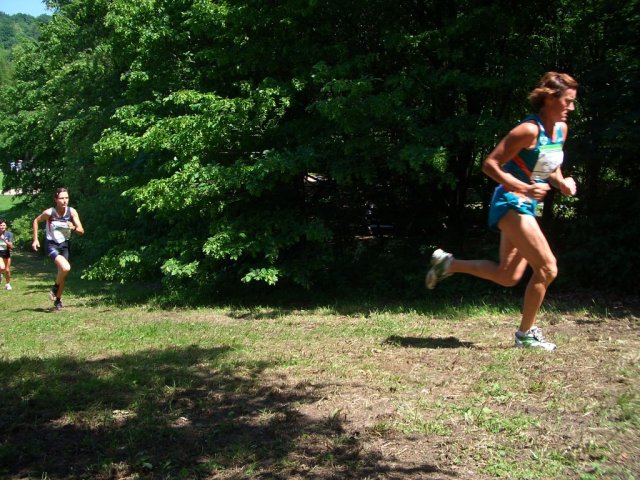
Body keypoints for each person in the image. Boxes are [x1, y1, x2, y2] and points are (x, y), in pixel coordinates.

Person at [426, 72, 579, 351]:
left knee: (507, 276)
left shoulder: (560, 130)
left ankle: (448, 264)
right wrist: (524, 187)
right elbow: (490, 165)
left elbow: (550, 165)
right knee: (547, 268)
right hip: (509, 200)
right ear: (548, 98)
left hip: (526, 203)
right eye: (567, 102)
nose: (571, 108)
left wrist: (562, 182)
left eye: (573, 102)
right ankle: (526, 335)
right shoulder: (528, 130)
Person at [32, 187, 85, 310]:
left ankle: (58, 300)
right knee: (66, 268)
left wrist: (73, 228)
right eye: (61, 198)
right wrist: (35, 239)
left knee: (62, 273)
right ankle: (54, 290)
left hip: (65, 245)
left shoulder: (72, 212)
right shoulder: (50, 213)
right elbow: (36, 221)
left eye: (66, 198)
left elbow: (81, 231)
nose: (64, 201)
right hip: (52, 245)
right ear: (55, 199)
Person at [0, 218, 15, 291]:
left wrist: (4, 240)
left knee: (7, 270)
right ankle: (0, 274)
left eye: (4, 225)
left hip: (6, 252)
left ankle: (8, 284)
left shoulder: (9, 234)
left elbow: (11, 246)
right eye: (1, 225)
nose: (2, 227)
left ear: (6, 226)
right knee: (2, 267)